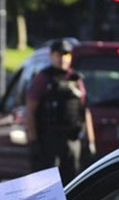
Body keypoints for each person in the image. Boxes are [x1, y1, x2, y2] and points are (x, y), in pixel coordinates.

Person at [26, 39, 95, 184]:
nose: (63, 59)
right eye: (59, 54)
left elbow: (85, 111)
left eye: (66, 55)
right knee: (46, 183)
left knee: (71, 182)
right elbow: (31, 110)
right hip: (48, 140)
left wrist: (90, 141)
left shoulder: (76, 79)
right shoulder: (43, 78)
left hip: (71, 139)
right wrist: (33, 140)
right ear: (51, 56)